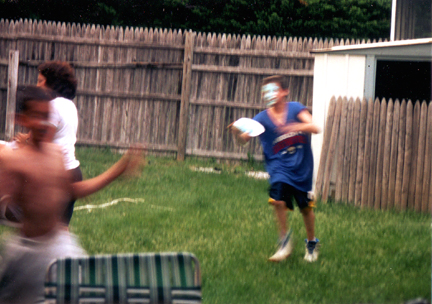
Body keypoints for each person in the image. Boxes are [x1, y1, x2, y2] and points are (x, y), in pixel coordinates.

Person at [0, 85, 144, 304]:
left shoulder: (56, 154)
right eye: (36, 116)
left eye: (47, 116)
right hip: (26, 252)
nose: (43, 123)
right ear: (21, 119)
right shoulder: (12, 159)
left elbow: (73, 191)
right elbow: (5, 204)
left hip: (59, 247)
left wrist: (118, 170)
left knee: (82, 294)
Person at [229, 75, 321, 263]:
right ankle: (284, 242)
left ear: (284, 92)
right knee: (277, 200)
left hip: (301, 166)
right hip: (279, 166)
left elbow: (315, 127)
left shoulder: (295, 108)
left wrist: (296, 126)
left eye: (273, 90)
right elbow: (243, 140)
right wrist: (236, 132)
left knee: (305, 208)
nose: (269, 94)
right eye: (265, 92)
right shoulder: (261, 118)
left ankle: (311, 243)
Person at [1, 61, 82, 227]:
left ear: (51, 83)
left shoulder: (52, 106)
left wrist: (23, 142)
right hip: (73, 171)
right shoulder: (69, 105)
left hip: (53, 176)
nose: (37, 86)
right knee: (59, 230)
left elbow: (41, 144)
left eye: (40, 81)